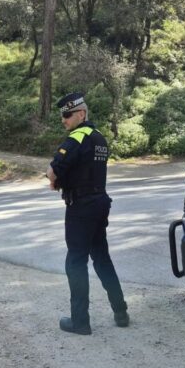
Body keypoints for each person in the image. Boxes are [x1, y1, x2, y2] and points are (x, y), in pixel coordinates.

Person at [46, 92, 128, 335]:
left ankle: (80, 321)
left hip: (81, 207)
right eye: (63, 115)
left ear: (81, 113)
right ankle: (120, 311)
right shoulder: (100, 138)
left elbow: (53, 172)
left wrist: (54, 178)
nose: (64, 120)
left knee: (76, 262)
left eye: (68, 115)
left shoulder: (76, 138)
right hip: (99, 202)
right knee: (102, 258)